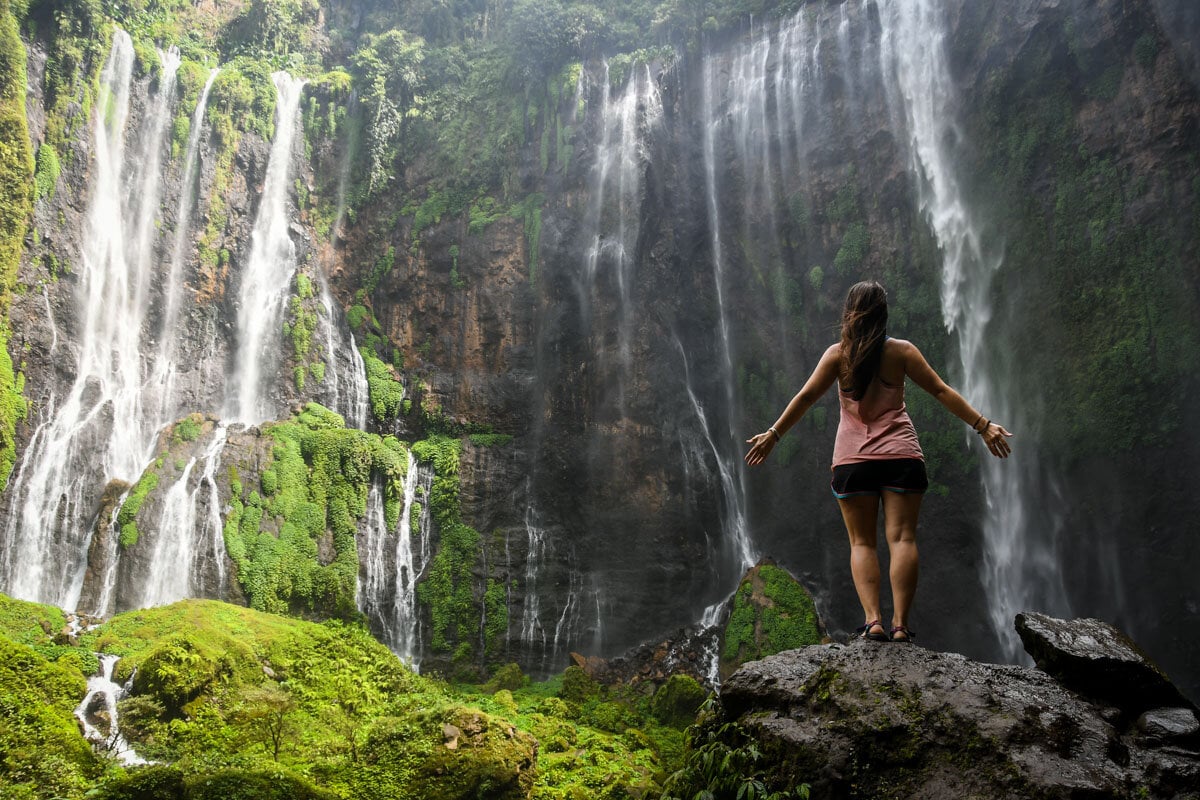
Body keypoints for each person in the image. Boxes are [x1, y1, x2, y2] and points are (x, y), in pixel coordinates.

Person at [744, 280, 1012, 643]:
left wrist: (773, 435)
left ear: (850, 315)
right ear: (883, 315)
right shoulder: (901, 352)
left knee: (862, 544)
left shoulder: (838, 356)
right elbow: (940, 390)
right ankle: (900, 626)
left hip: (852, 462)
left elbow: (806, 397)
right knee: (902, 538)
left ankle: (873, 623)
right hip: (901, 456)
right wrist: (984, 426)